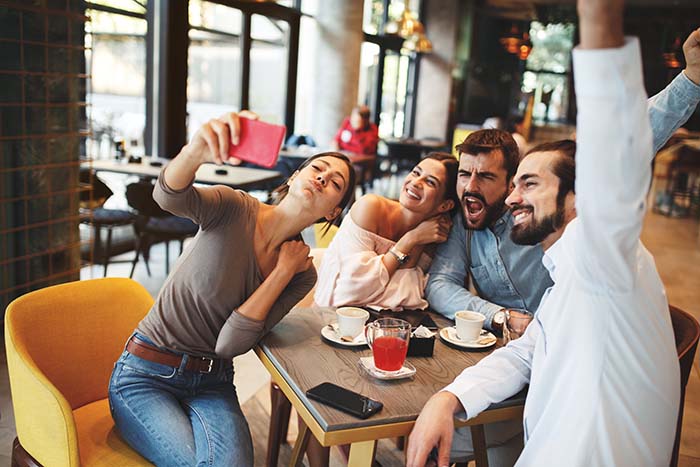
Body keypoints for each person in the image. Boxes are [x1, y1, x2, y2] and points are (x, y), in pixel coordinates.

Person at [407, 6, 700, 466]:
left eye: (530, 184)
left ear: (581, 197)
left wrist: (600, 19)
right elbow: (525, 352)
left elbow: (616, 147)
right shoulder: (564, 279)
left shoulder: (601, 255)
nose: (512, 199)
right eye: (517, 184)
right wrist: (450, 398)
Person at [108, 111, 356, 466]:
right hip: (145, 375)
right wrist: (195, 151)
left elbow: (230, 344)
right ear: (296, 175)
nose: (323, 177)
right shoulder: (233, 207)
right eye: (318, 168)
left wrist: (282, 272)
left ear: (333, 212)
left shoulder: (302, 273)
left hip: (213, 383)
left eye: (335, 183)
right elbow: (169, 198)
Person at [314, 152, 458, 310]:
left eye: (430, 182)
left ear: (445, 206)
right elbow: (351, 293)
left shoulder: (433, 237)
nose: (416, 182)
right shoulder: (370, 208)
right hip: (330, 319)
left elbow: (407, 299)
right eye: (416, 172)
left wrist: (416, 243)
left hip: (384, 326)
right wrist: (410, 239)